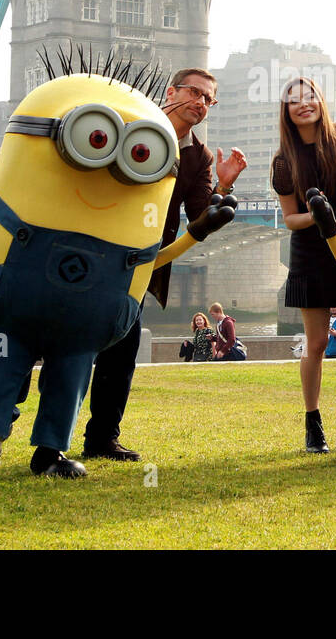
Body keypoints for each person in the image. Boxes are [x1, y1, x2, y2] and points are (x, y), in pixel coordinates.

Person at [79, 67, 247, 461]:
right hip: (91, 248)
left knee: (123, 347)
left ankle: (102, 438)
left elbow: (200, 215)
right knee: (47, 338)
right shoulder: (128, 121)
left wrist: (224, 184)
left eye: (209, 99)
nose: (201, 103)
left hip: (140, 263)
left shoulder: (200, 156)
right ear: (171, 91)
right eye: (196, 93)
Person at [271, 76, 336, 454]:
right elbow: (290, 219)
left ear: (320, 101)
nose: (304, 104)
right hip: (310, 252)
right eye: (294, 101)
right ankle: (313, 423)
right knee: (315, 343)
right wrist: (318, 215)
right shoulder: (284, 161)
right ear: (287, 112)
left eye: (310, 96)